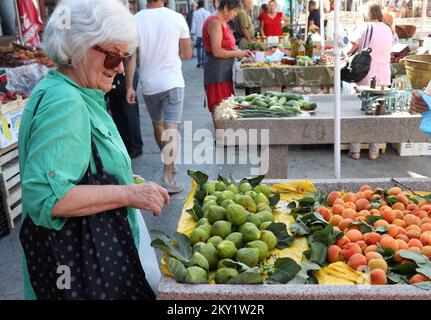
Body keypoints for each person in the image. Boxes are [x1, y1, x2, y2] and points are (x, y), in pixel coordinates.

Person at [18, 0, 170, 300]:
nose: (121, 68)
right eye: (113, 57)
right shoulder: (65, 102)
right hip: (82, 275)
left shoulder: (67, 89)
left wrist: (126, 180)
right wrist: (129, 194)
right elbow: (49, 198)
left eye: (125, 57)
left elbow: (80, 168)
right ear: (79, 47)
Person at [126, 0, 192, 194]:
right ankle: (167, 176)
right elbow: (187, 54)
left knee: (158, 125)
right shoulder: (177, 18)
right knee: (172, 128)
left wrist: (130, 87)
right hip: (173, 82)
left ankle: (168, 160)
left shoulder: (135, 20)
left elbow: (131, 57)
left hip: (149, 84)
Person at [345, 2, 393, 160]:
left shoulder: (364, 27)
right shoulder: (387, 29)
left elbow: (350, 49)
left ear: (366, 14)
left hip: (366, 74)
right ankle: (374, 151)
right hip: (384, 75)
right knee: (378, 114)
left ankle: (355, 151)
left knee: (360, 113)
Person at [203, 0, 251, 114]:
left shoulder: (223, 21)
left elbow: (227, 46)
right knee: (221, 110)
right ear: (225, 9)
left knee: (226, 110)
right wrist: (237, 53)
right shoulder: (215, 22)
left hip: (224, 72)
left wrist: (240, 51)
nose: (235, 14)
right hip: (217, 74)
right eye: (234, 11)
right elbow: (217, 52)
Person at [192, 0, 211, 67]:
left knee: (199, 47)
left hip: (198, 33)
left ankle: (199, 61)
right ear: (203, 5)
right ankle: (204, 62)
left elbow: (193, 23)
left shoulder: (195, 13)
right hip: (205, 32)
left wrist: (192, 32)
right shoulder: (207, 12)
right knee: (204, 47)